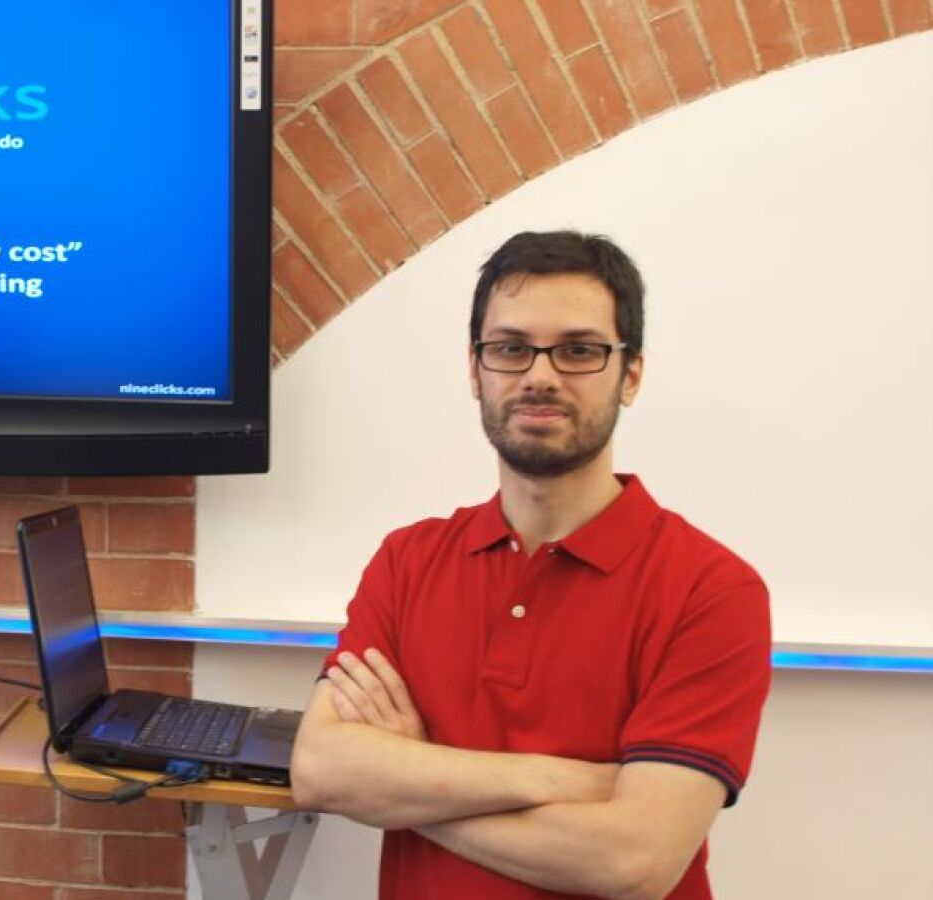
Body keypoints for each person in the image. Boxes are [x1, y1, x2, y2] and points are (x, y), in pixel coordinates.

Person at [290, 231, 771, 900]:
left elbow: (633, 863)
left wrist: (410, 781)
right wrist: (561, 778)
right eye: (511, 348)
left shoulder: (713, 590)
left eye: (578, 350)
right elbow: (319, 769)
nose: (539, 376)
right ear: (475, 369)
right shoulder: (406, 561)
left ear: (630, 374)